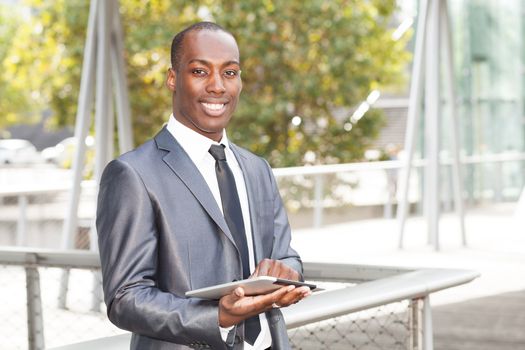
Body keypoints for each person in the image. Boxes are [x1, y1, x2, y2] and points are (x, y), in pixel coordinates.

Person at [96, 21, 310, 350]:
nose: (217, 86)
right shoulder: (132, 174)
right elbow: (125, 298)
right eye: (199, 72)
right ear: (172, 79)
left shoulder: (258, 169)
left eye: (230, 72)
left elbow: (287, 257)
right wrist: (217, 318)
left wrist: (288, 274)